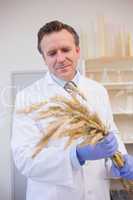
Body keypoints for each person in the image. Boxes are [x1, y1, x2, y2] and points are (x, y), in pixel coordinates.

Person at [11, 20, 133, 200]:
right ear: (44, 59)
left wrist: (119, 161)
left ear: (77, 51)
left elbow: (110, 133)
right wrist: (76, 155)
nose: (60, 58)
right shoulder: (27, 97)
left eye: (66, 50)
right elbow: (24, 159)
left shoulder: (98, 90)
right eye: (52, 53)